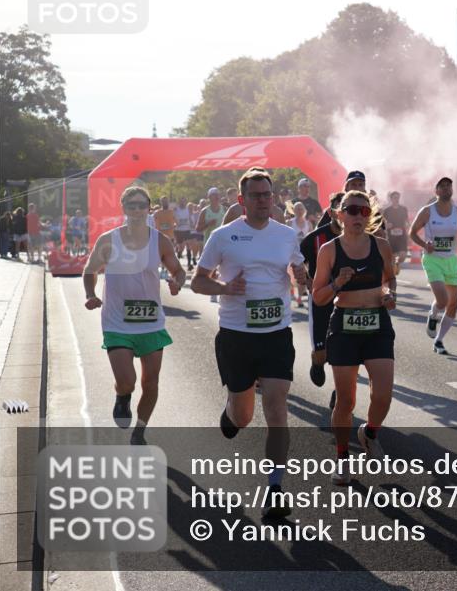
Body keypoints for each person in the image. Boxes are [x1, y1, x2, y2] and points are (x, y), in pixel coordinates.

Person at [190, 168, 306, 518]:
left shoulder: (286, 235)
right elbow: (198, 283)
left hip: (276, 334)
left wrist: (302, 276)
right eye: (255, 195)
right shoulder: (224, 237)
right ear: (241, 201)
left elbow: (300, 272)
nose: (262, 201)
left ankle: (275, 489)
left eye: (267, 195)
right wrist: (225, 289)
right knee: (243, 416)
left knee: (276, 408)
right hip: (236, 336)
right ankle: (230, 412)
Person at [82, 186, 185, 444]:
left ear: (149, 207)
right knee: (127, 381)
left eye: (141, 205)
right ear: (124, 208)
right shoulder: (108, 239)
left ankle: (140, 430)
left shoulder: (160, 240)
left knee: (150, 383)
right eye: (132, 205)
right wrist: (89, 294)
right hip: (117, 322)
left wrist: (177, 282)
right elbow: (90, 269)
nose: (137, 210)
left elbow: (178, 270)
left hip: (151, 323)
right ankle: (122, 395)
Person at [311, 190, 397, 487]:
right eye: (352, 210)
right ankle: (342, 457)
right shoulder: (329, 251)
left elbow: (390, 278)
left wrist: (389, 294)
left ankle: (370, 434)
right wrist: (338, 282)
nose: (358, 216)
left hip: (377, 325)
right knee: (346, 400)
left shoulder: (381, 246)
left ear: (369, 215)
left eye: (363, 211)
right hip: (345, 327)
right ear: (339, 214)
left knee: (383, 395)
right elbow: (319, 297)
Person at [409, 177, 457, 355]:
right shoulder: (427, 212)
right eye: (443, 186)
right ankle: (433, 315)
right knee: (442, 300)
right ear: (436, 191)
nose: (447, 189)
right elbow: (412, 233)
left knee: (453, 305)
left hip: (451, 261)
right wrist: (425, 245)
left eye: (449, 186)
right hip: (433, 260)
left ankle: (439, 341)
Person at [301, 191, 345, 389]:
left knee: (345, 351)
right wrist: (308, 281)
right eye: (342, 208)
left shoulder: (360, 239)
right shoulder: (316, 238)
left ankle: (340, 392)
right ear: (333, 212)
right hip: (321, 299)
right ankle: (317, 364)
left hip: (348, 300)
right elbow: (296, 261)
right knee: (322, 353)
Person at [382, 191, 409, 276]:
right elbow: (382, 223)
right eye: (395, 198)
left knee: (403, 255)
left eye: (398, 197)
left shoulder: (403, 209)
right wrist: (386, 225)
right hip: (391, 236)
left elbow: (407, 221)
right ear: (391, 199)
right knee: (392, 256)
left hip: (402, 235)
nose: (396, 199)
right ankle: (393, 271)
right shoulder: (387, 210)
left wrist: (408, 226)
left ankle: (397, 263)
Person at [172, 197, 192, 269]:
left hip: (187, 230)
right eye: (181, 201)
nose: (183, 203)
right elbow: (173, 217)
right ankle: (178, 257)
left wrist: (192, 224)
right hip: (178, 230)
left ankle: (189, 264)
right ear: (179, 202)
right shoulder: (176, 210)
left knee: (188, 245)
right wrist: (176, 223)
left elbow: (190, 218)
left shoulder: (188, 209)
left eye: (184, 201)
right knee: (181, 247)